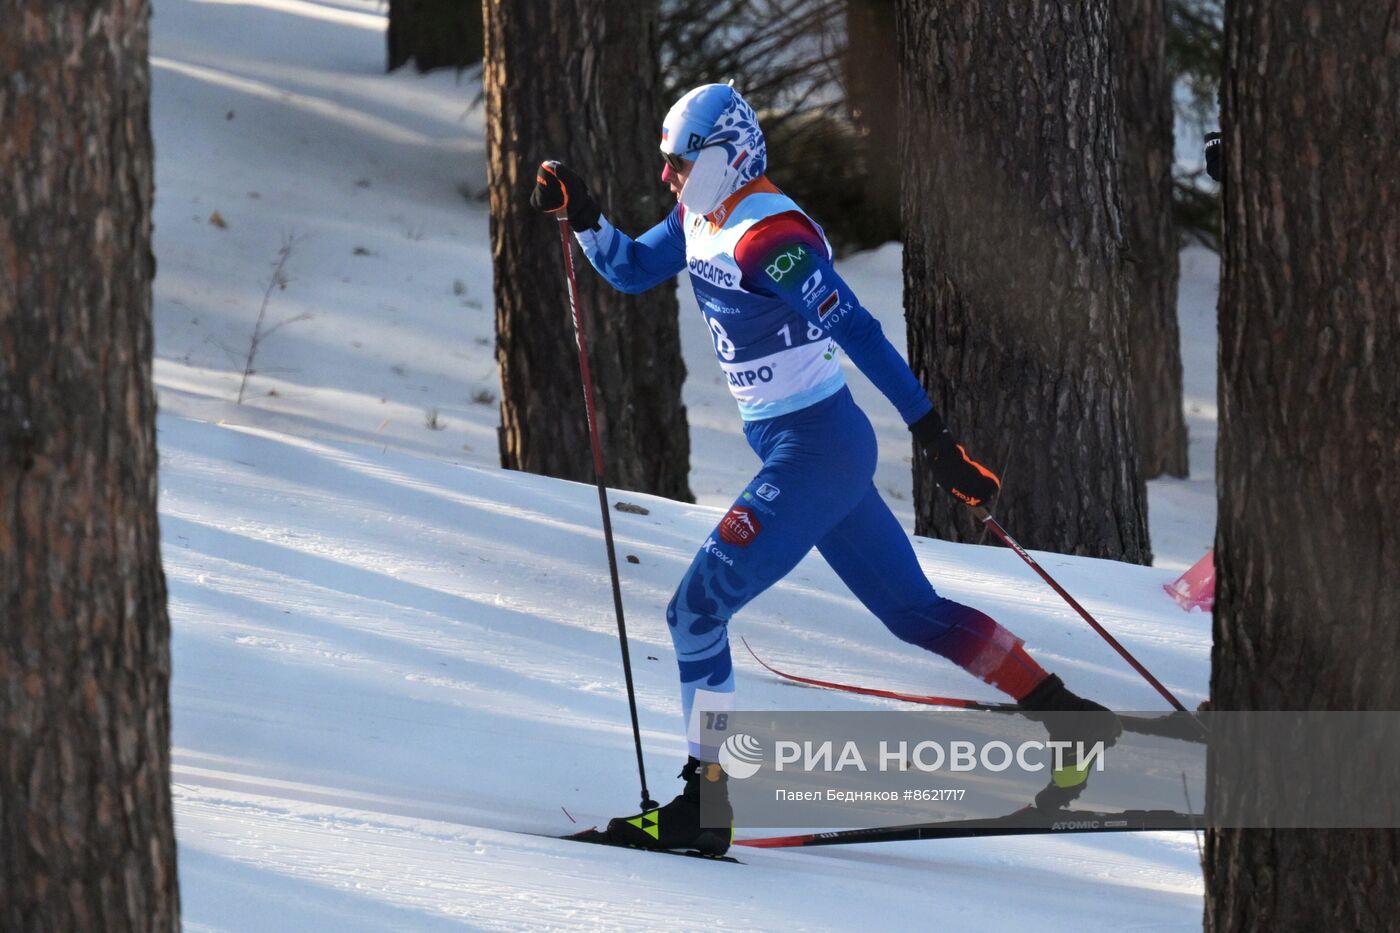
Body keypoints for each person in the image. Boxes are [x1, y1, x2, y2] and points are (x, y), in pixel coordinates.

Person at [531, 84, 1120, 856]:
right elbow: (636, 270)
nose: (667, 176)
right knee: (915, 614)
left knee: (695, 612)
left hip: (817, 451)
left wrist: (936, 440)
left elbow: (865, 332)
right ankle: (1071, 718)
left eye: (678, 163)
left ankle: (704, 806)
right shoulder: (701, 215)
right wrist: (585, 218)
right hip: (808, 449)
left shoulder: (766, 239)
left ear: (722, 157)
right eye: (665, 162)